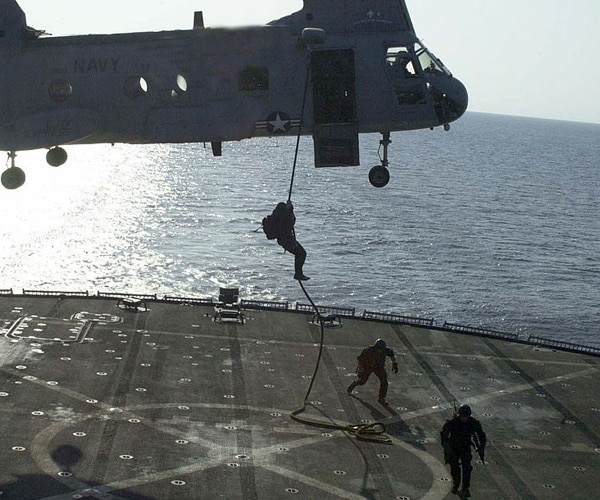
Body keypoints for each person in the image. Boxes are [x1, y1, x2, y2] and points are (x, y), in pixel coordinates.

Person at [440, 404, 487, 498]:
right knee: (455, 468)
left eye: (466, 416)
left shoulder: (473, 423)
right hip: (454, 447)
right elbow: (443, 433)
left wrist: (481, 447)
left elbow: (481, 435)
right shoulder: (453, 422)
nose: (464, 418)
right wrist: (446, 446)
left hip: (465, 447)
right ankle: (456, 484)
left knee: (467, 468)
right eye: (462, 416)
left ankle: (465, 488)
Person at [347, 339, 398, 404]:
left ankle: (381, 398)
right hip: (367, 367)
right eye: (378, 348)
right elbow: (360, 359)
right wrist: (361, 368)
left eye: (381, 349)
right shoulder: (368, 350)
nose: (380, 350)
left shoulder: (385, 350)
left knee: (384, 382)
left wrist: (394, 364)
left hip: (379, 367)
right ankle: (354, 384)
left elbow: (391, 354)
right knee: (362, 381)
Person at [272, 201, 309, 281]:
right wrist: (291, 209)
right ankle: (298, 274)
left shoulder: (277, 217)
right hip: (287, 240)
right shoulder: (284, 218)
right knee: (301, 253)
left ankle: (298, 273)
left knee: (299, 253)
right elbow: (292, 221)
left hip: (285, 240)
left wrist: (289, 210)